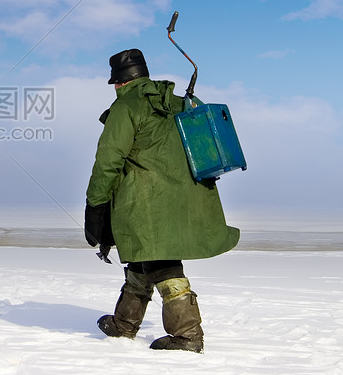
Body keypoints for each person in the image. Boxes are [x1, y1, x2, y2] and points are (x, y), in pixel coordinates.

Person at [84, 49, 240, 353]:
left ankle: (187, 335)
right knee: (146, 259)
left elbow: (107, 162)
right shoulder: (178, 103)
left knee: (165, 267)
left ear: (119, 82)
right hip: (188, 198)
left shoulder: (126, 107)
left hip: (147, 201)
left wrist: (96, 205)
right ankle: (124, 324)